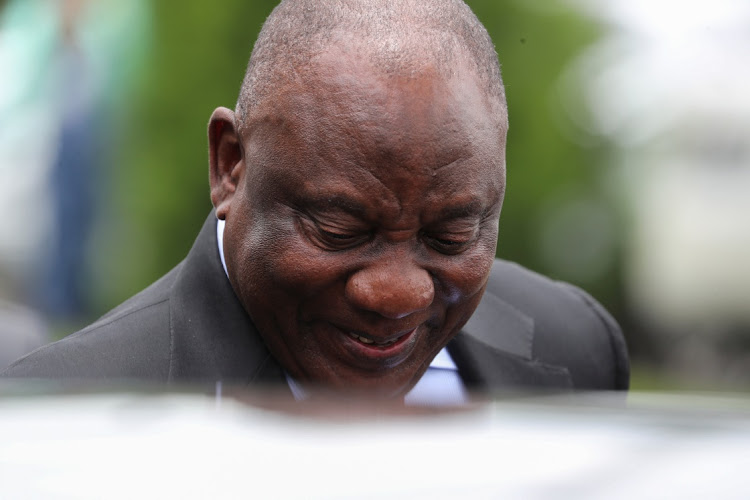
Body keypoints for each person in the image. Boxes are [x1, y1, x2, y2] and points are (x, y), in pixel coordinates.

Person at [2, 0, 629, 402]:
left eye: (451, 236)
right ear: (230, 165)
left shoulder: (574, 348)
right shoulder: (67, 417)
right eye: (339, 228)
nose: (398, 294)